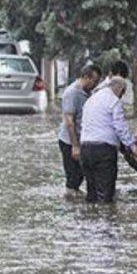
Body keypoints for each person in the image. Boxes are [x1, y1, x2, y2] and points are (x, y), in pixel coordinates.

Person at [79, 77, 137, 203]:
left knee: (91, 193)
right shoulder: (113, 101)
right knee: (105, 195)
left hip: (85, 150)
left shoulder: (91, 100)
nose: (122, 96)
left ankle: (90, 219)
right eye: (123, 93)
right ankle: (107, 220)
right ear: (120, 89)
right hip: (103, 151)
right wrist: (133, 147)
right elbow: (120, 128)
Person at [57, 62, 103, 196]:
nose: (95, 85)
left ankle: (76, 199)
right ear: (86, 77)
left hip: (84, 139)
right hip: (69, 141)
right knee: (73, 178)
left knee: (83, 173)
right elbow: (69, 122)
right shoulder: (71, 93)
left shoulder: (89, 92)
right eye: (94, 81)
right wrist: (75, 146)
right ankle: (71, 204)